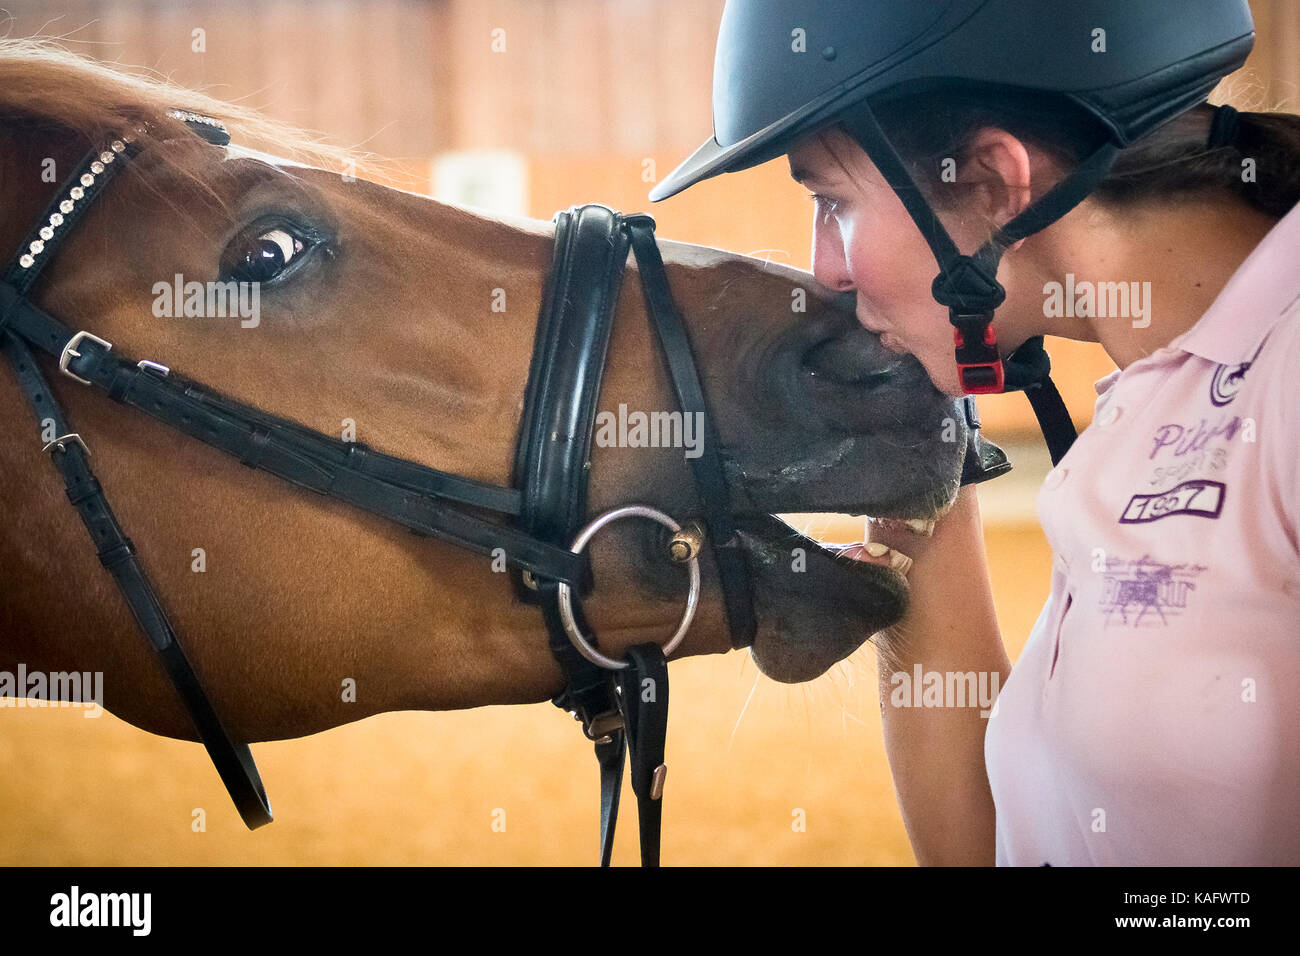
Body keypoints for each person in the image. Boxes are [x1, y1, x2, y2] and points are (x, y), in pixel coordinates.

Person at [651, 0, 1300, 865]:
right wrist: (912, 470)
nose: (826, 270)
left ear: (995, 184)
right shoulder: (1143, 406)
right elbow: (1000, 841)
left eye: (834, 203)